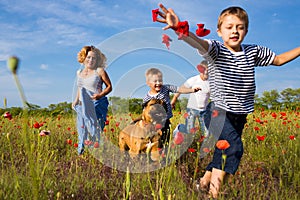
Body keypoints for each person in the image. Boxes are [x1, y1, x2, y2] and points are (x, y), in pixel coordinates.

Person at [154, 4, 300, 198]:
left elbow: (280, 60)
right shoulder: (216, 50)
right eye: (229, 27)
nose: (234, 31)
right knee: (232, 148)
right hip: (218, 112)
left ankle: (203, 184)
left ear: (246, 31)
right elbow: (199, 43)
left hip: (240, 114)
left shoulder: (253, 52)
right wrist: (180, 28)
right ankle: (214, 195)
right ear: (220, 31)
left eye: (239, 27)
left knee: (220, 153)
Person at [143, 67, 200, 147]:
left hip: (165, 121)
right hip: (153, 124)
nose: (158, 83)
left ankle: (164, 154)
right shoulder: (147, 98)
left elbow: (179, 89)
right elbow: (145, 112)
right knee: (154, 141)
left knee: (166, 140)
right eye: (155, 81)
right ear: (148, 83)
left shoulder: (166, 88)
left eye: (160, 80)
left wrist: (192, 90)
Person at [72, 45, 112, 155]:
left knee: (95, 129)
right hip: (83, 104)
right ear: (84, 57)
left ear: (97, 60)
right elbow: (80, 88)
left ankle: (99, 152)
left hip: (97, 103)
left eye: (94, 58)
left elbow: (109, 87)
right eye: (88, 57)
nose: (91, 60)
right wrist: (76, 101)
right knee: (82, 129)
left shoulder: (99, 71)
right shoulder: (79, 72)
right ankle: (81, 152)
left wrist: (100, 95)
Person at [171, 60, 210, 137]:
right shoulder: (194, 80)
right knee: (189, 130)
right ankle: (179, 127)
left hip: (204, 111)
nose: (206, 72)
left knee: (206, 133)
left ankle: (201, 145)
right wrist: (174, 100)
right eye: (204, 70)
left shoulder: (211, 82)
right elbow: (181, 89)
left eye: (208, 70)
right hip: (192, 109)